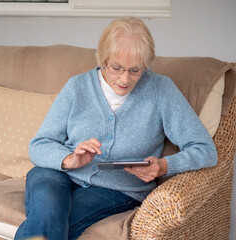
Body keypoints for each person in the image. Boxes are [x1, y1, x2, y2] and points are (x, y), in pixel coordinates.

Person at [14, 17, 217, 240]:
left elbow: (206, 150)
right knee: (48, 203)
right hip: (57, 174)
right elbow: (39, 145)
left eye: (135, 70)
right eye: (116, 68)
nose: (125, 79)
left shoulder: (161, 90)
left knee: (52, 225)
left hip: (116, 190)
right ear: (103, 59)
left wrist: (164, 166)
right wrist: (70, 159)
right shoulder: (77, 87)